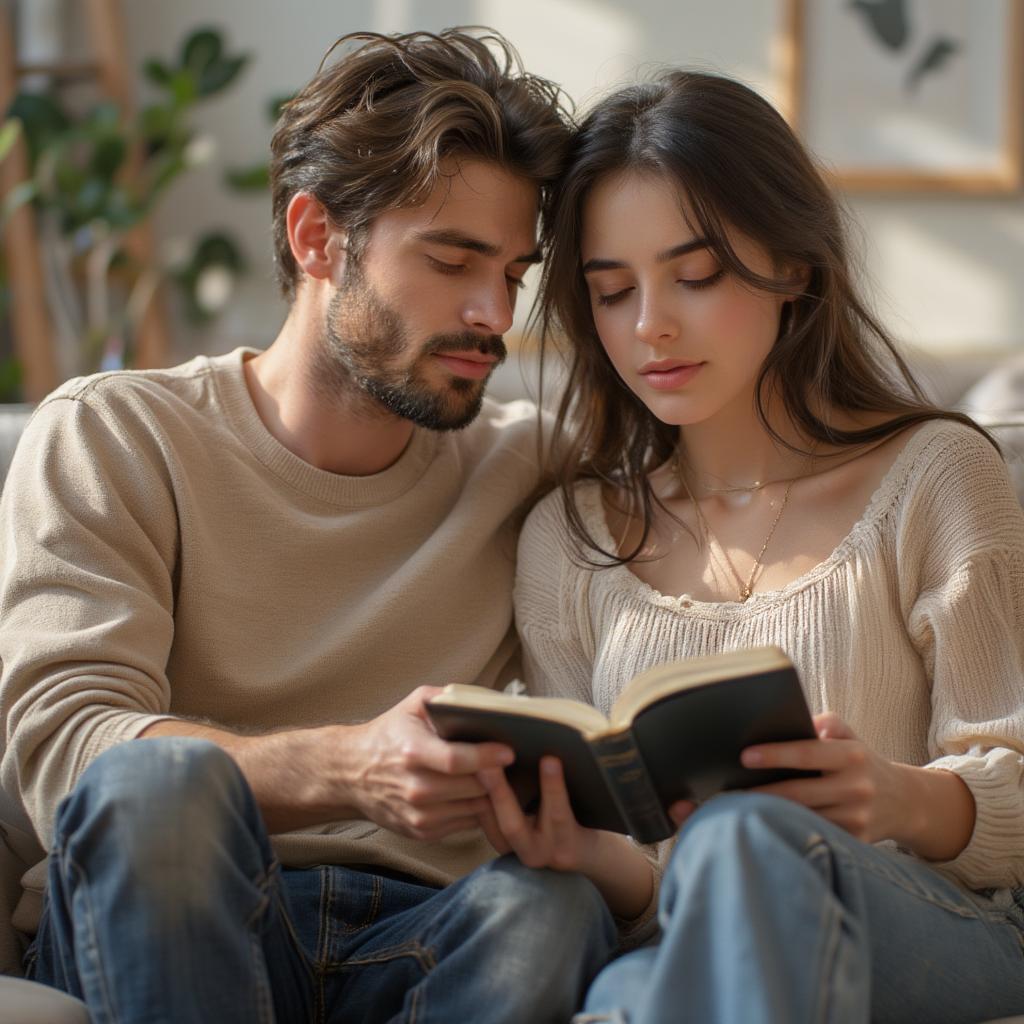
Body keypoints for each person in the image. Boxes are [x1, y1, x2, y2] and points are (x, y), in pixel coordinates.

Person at [0, 28, 620, 1023]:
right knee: (157, 790)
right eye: (453, 259)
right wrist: (350, 766)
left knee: (550, 905)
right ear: (315, 237)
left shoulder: (529, 463)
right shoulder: (116, 435)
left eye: (513, 272)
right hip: (180, 912)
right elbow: (67, 753)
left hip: (431, 927)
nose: (492, 312)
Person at [475, 70, 1024, 1023]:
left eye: (696, 276)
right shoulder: (570, 542)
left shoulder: (934, 477)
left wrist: (893, 798)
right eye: (612, 293)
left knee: (740, 842)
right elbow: (647, 886)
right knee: (626, 989)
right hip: (692, 949)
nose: (651, 325)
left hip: (934, 926)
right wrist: (569, 845)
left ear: (795, 266)